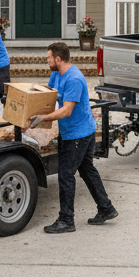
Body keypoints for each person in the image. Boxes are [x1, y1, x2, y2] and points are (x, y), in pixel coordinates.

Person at [31, 41, 117, 234]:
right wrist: (32, 93)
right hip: (75, 131)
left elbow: (67, 110)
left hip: (78, 134)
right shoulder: (56, 74)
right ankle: (106, 208)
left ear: (58, 59)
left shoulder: (74, 79)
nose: (47, 61)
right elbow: (50, 94)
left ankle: (66, 220)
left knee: (66, 175)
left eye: (49, 58)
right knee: (87, 171)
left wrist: (43, 118)